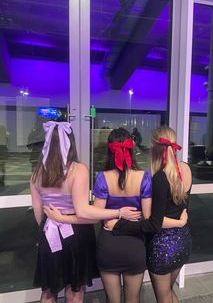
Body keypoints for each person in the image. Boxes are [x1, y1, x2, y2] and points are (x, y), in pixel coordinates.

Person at [31, 121, 141, 303]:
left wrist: (52, 225)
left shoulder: (36, 174)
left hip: (49, 234)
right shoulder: (78, 170)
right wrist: (118, 212)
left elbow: (38, 213)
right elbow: (83, 211)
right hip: (76, 235)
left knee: (49, 292)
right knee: (75, 292)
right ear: (71, 142)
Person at [107, 127, 192, 303]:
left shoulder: (160, 178)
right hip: (183, 242)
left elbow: (154, 223)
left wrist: (119, 225)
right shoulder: (186, 169)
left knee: (164, 297)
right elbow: (180, 210)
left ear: (155, 147)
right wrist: (180, 222)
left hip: (163, 248)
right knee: (168, 292)